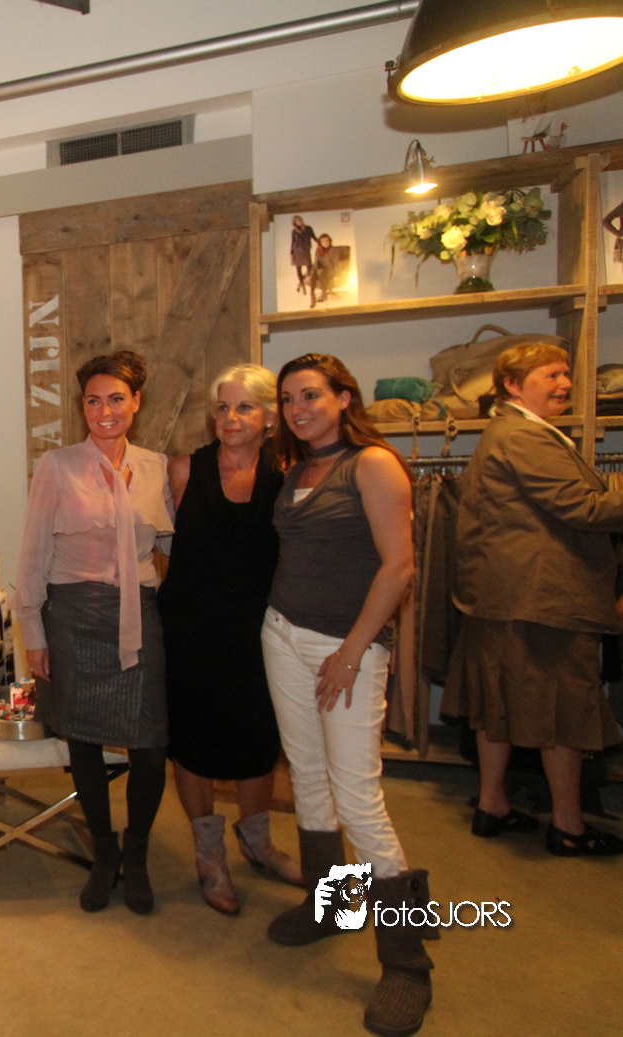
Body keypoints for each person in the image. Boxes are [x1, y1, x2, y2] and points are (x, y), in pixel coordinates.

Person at [261, 353, 428, 1037]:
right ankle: (334, 903)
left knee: (357, 795)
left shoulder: (373, 464)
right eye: (287, 399)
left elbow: (399, 566)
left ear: (343, 397)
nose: (297, 409)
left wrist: (352, 651)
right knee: (307, 777)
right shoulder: (296, 469)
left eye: (310, 395)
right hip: (282, 633)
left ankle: (407, 961)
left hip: (347, 649)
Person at [442, 343, 623, 856]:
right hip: (539, 599)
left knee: (496, 701)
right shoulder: (523, 436)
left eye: (566, 374)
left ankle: (492, 803)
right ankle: (568, 825)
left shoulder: (511, 431)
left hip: (507, 595)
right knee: (562, 710)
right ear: (514, 385)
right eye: (551, 374)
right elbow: (584, 507)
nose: (564, 383)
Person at [15, 351, 174, 914]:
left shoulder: (156, 467)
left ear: (136, 402)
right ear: (81, 406)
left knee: (151, 745)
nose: (105, 411)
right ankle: (104, 853)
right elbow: (34, 551)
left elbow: (172, 544)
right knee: (82, 740)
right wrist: (33, 632)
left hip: (139, 613)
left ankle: (137, 853)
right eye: (93, 401)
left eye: (116, 399)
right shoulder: (57, 466)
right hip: (74, 616)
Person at [159, 364, 300, 916]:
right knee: (192, 740)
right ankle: (209, 855)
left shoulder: (288, 477)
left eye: (244, 407)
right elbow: (161, 546)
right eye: (222, 407)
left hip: (258, 630)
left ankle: (258, 842)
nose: (231, 418)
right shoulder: (182, 471)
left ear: (269, 417)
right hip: (190, 629)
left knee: (259, 738)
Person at [290, 215, 319, 293]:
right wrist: (291, 253)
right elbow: (293, 242)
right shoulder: (294, 231)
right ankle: (302, 285)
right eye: (297, 221)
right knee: (298, 269)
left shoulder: (308, 228)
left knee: (309, 268)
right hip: (297, 251)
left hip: (306, 251)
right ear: (295, 223)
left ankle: (301, 282)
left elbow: (314, 237)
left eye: (300, 220)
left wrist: (320, 243)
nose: (300, 221)